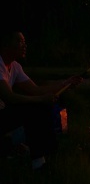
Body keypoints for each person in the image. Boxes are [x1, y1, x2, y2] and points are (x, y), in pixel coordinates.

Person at [0, 30, 82, 169]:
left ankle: (45, 156)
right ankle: (39, 163)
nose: (24, 45)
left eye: (24, 42)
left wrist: (65, 84)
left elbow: (36, 90)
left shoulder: (15, 67)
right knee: (36, 108)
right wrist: (40, 99)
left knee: (42, 107)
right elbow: (9, 97)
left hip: (4, 117)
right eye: (19, 41)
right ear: (6, 44)